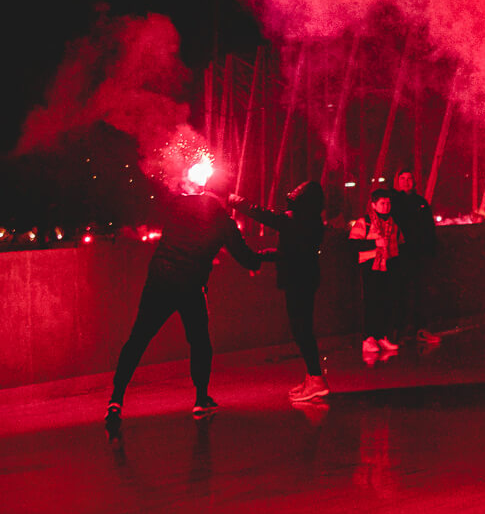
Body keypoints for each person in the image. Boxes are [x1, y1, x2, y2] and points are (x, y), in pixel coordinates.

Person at [104, 173, 264, 440]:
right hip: (190, 285)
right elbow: (245, 257)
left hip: (160, 279)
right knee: (200, 342)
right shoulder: (223, 219)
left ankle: (116, 400)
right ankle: (201, 400)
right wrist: (260, 261)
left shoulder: (178, 203)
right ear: (225, 196)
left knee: (138, 339)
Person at [231, 180, 328, 402]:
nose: (293, 190)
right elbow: (289, 252)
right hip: (305, 279)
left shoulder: (296, 219)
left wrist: (234, 200)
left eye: (298, 189)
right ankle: (312, 377)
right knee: (303, 330)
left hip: (298, 281)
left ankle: (317, 379)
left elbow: (262, 215)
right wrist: (263, 255)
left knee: (301, 331)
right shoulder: (310, 221)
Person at [349, 188, 403, 359]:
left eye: (388, 203)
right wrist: (375, 244)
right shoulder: (363, 222)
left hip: (387, 266)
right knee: (370, 302)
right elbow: (353, 244)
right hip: (369, 265)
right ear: (373, 205)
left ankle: (381, 336)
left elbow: (398, 245)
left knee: (385, 302)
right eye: (382, 203)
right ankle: (368, 338)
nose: (386, 206)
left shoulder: (393, 224)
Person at [390, 170, 440, 345]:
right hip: (401, 254)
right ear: (397, 181)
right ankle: (403, 331)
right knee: (401, 292)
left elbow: (429, 227)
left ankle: (420, 329)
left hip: (419, 254)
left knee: (420, 292)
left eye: (409, 178)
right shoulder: (393, 201)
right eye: (402, 178)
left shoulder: (421, 202)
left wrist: (431, 250)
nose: (406, 182)